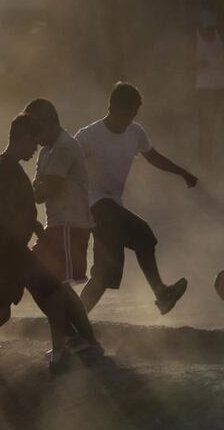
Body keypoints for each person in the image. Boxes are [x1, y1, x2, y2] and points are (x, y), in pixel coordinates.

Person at [0, 114, 100, 375]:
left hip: (7, 246)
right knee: (51, 289)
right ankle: (60, 356)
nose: (36, 150)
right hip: (5, 248)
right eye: (34, 144)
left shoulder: (8, 166)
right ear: (22, 139)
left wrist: (37, 228)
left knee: (2, 312)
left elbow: (17, 209)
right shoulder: (4, 168)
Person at [75, 82, 199, 315]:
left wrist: (182, 172)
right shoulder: (88, 136)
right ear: (111, 107)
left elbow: (153, 157)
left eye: (133, 115)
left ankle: (73, 324)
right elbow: (68, 165)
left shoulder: (136, 132)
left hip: (111, 205)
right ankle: (161, 293)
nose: (127, 120)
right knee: (142, 232)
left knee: (105, 274)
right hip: (93, 205)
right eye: (124, 114)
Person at [24, 98, 101, 355]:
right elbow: (40, 186)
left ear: (47, 124)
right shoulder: (48, 150)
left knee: (55, 283)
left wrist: (28, 191)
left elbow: (44, 190)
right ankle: (79, 337)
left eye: (35, 131)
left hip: (71, 224)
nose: (33, 139)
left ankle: (76, 339)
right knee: (48, 281)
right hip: (58, 224)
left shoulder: (65, 147)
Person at [194, 9, 224, 168]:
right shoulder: (194, 41)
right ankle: (204, 162)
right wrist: (196, 64)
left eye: (212, 28)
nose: (210, 32)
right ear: (201, 28)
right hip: (204, 89)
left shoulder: (222, 39)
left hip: (223, 86)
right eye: (207, 29)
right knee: (207, 126)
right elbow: (183, 63)